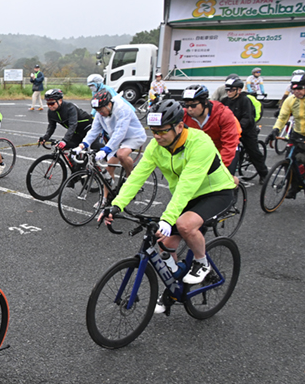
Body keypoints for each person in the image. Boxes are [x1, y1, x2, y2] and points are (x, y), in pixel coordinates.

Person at [101, 99, 236, 295]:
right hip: (187, 195)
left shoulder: (200, 143)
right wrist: (116, 205)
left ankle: (201, 262)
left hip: (215, 192)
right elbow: (137, 177)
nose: (157, 136)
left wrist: (168, 218)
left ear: (180, 126)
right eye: (154, 131)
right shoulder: (156, 147)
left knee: (184, 225)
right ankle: (176, 289)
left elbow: (187, 185)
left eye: (163, 131)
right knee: (165, 244)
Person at [75, 89, 147, 182]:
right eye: (97, 110)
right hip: (116, 139)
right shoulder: (99, 113)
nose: (100, 113)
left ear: (109, 104)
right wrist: (82, 145)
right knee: (108, 171)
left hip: (133, 136)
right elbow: (94, 131)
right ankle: (106, 196)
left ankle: (131, 178)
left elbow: (120, 131)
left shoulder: (122, 109)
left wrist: (106, 149)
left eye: (101, 110)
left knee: (121, 155)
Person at [180, 84, 241, 174]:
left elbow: (229, 144)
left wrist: (219, 168)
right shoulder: (184, 115)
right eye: (186, 105)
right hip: (203, 150)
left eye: (193, 106)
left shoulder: (223, 114)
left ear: (205, 102)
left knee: (224, 181)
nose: (189, 109)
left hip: (224, 149)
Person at [220, 76, 268, 183]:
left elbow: (247, 117)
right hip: (230, 131)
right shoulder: (224, 101)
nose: (229, 92)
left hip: (246, 131)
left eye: (232, 90)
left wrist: (238, 128)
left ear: (239, 90)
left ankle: (263, 173)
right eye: (227, 90)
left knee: (253, 152)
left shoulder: (245, 100)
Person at [266, 73, 305, 199]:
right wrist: (275, 131)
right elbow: (282, 117)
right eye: (294, 89)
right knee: (289, 160)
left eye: (299, 89)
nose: (296, 92)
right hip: (297, 133)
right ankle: (294, 186)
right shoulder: (291, 100)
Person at [38, 88, 96, 153]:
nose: (50, 106)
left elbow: (73, 125)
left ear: (60, 101)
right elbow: (52, 126)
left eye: (52, 103)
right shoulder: (51, 112)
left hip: (88, 128)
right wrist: (45, 137)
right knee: (68, 149)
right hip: (76, 132)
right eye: (48, 104)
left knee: (95, 147)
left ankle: (107, 157)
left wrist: (65, 140)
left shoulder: (70, 107)